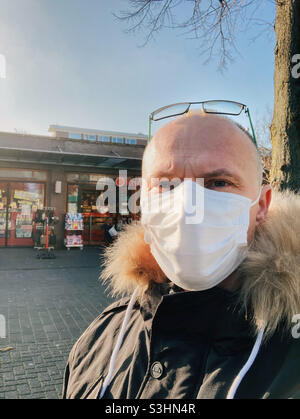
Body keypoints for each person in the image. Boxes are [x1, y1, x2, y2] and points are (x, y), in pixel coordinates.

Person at [63, 112, 300, 399]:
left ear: (261, 205)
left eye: (218, 182)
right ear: (144, 205)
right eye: (165, 185)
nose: (189, 206)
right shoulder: (101, 338)